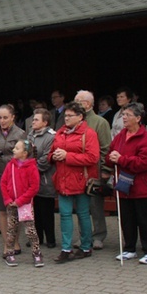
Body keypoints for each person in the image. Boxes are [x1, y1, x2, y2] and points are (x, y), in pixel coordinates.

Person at [107, 102, 147, 265]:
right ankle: (130, 248)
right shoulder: (120, 136)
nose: (124, 117)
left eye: (128, 115)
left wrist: (122, 159)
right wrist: (110, 159)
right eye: (123, 114)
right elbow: (110, 152)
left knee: (146, 220)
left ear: (138, 118)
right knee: (127, 220)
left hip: (143, 186)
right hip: (124, 186)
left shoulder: (146, 138)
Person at [49, 102, 99, 263]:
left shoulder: (89, 134)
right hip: (62, 180)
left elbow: (93, 158)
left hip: (81, 181)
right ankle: (66, 248)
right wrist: (53, 157)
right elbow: (51, 152)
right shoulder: (60, 132)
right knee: (64, 215)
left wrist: (67, 156)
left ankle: (85, 246)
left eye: (70, 115)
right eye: (66, 115)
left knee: (83, 214)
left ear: (80, 117)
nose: (67, 118)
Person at [0, 104, 26, 257]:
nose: (2, 121)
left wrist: (4, 156)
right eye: (0, 118)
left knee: (13, 210)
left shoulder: (21, 133)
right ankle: (7, 244)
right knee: (2, 210)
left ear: (13, 117)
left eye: (5, 117)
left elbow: (25, 155)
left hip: (15, 176)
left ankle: (15, 241)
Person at [74, 90, 112, 250]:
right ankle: (84, 235)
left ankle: (98, 236)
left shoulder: (99, 122)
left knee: (95, 205)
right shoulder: (74, 121)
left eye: (78, 101)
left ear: (87, 104)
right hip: (77, 169)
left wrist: (105, 169)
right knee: (80, 205)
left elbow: (106, 148)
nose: (74, 104)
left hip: (94, 169)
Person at [0, 140, 43, 267]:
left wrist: (20, 201)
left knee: (30, 230)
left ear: (24, 153)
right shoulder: (10, 165)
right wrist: (8, 200)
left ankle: (36, 253)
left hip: (25, 205)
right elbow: (3, 183)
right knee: (11, 230)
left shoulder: (32, 167)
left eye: (17, 148)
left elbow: (34, 187)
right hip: (11, 204)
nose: (13, 150)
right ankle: (10, 253)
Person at [28, 108, 57, 248]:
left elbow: (47, 158)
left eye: (36, 119)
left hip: (45, 179)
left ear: (45, 122)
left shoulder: (51, 137)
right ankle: (37, 238)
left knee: (47, 212)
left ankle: (50, 239)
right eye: (33, 119)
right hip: (32, 180)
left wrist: (32, 168)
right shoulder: (30, 135)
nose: (33, 121)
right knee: (36, 212)